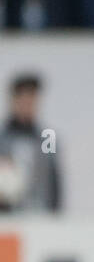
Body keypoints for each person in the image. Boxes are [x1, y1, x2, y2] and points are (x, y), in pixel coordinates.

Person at [0, 73, 61, 212]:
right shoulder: (2, 138)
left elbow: (53, 178)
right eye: (24, 99)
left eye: (32, 100)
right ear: (14, 100)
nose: (28, 105)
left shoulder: (47, 137)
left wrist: (55, 215)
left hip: (39, 215)